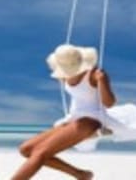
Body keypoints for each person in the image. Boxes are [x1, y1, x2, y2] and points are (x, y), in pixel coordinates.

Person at [11, 45, 115, 180]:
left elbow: (109, 103)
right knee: (26, 150)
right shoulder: (65, 74)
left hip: (90, 120)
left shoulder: (94, 74)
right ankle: (81, 174)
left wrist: (101, 80)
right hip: (74, 118)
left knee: (40, 154)